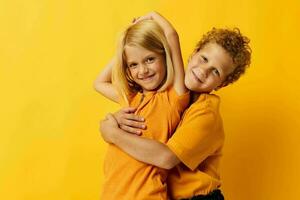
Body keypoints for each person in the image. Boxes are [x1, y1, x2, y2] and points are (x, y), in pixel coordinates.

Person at [100, 12, 251, 200]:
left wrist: (112, 133)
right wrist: (129, 43)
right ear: (193, 53)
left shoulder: (205, 113)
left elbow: (166, 158)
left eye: (215, 71)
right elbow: (102, 82)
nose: (203, 71)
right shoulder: (157, 94)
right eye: (204, 59)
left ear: (222, 84)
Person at [94, 13, 189, 199]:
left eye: (150, 59)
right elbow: (99, 83)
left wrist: (153, 15)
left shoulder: (173, 98)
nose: (143, 70)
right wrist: (124, 47)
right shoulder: (131, 98)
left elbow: (171, 35)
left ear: (164, 55)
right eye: (133, 64)